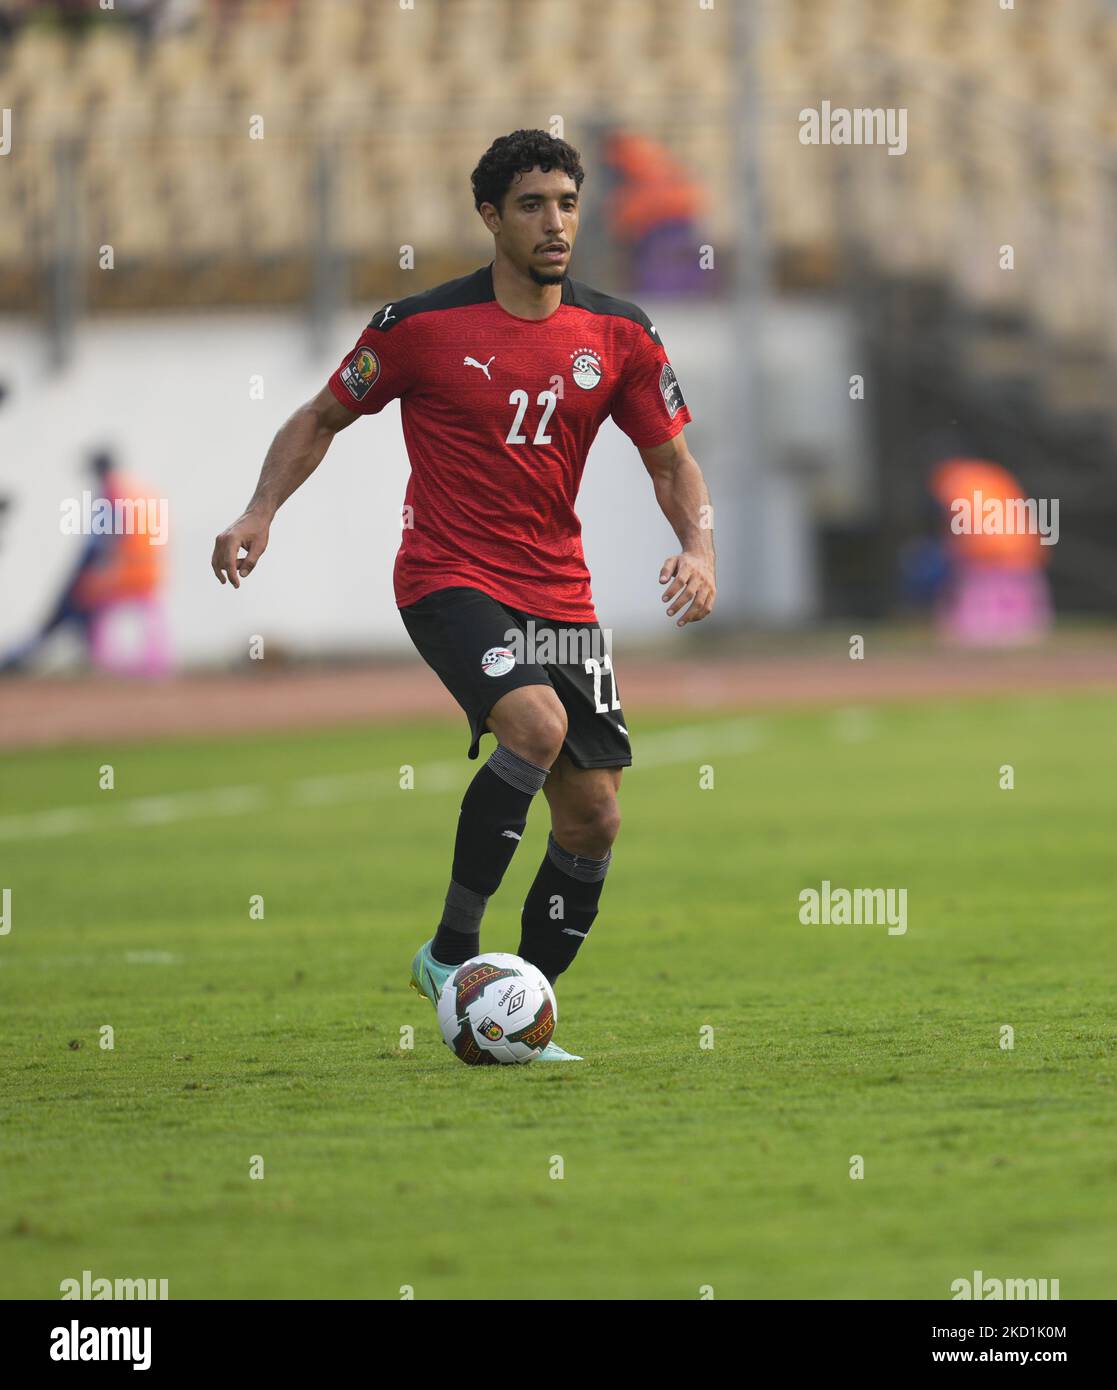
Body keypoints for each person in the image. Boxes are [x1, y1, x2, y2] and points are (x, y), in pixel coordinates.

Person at [211, 129, 717, 1061]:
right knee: (533, 727)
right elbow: (322, 415)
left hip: (561, 597)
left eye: (566, 202)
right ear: (490, 216)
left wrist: (697, 544)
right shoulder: (420, 327)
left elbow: (670, 461)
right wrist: (259, 511)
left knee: (594, 815)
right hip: (449, 577)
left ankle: (517, 1012)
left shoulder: (622, 335)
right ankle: (450, 952)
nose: (554, 221)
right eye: (531, 204)